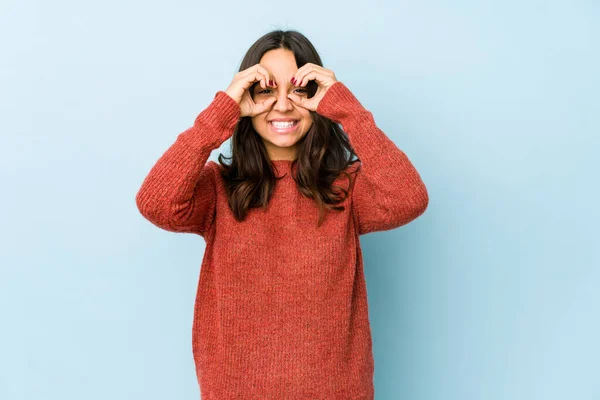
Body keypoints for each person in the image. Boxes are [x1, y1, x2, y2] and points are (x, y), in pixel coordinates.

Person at [135, 29, 429, 400]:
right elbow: (155, 203)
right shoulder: (218, 187)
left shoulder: (346, 188)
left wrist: (348, 111)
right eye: (267, 90)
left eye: (298, 90)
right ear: (246, 98)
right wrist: (220, 113)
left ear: (318, 99)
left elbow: (408, 198)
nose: (283, 105)